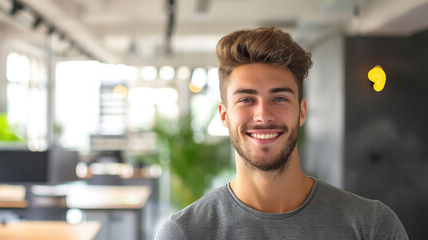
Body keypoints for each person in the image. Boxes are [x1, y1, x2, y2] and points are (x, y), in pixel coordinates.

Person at [155, 26, 408, 240]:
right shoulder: (185, 233)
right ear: (224, 115)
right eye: (246, 99)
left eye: (279, 98)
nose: (263, 115)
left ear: (301, 112)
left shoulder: (373, 226)